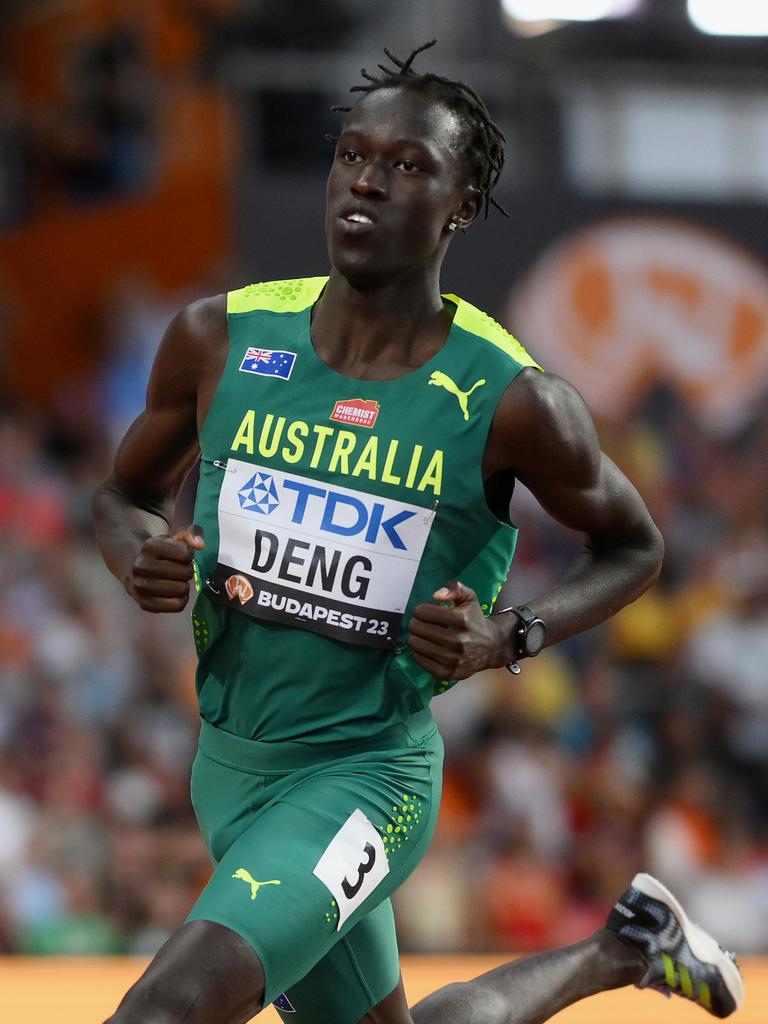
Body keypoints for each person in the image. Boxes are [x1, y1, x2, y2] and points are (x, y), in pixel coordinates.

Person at [92, 40, 742, 1024]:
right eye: (353, 154)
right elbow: (121, 495)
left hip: (368, 774)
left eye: (406, 167)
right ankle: (626, 944)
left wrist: (510, 635)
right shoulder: (221, 339)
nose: (365, 182)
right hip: (228, 766)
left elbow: (637, 545)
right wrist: (133, 553)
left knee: (162, 1009)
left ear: (461, 206)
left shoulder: (513, 398)